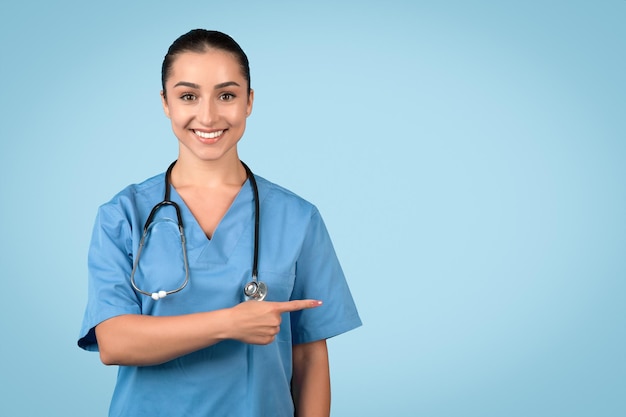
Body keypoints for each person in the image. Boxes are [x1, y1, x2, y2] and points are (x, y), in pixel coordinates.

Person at [77, 29, 361, 417]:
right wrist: (230, 323)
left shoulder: (297, 218)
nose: (208, 115)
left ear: (249, 102)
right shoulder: (123, 215)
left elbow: (310, 357)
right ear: (165, 103)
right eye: (188, 96)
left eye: (226, 95)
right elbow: (114, 343)